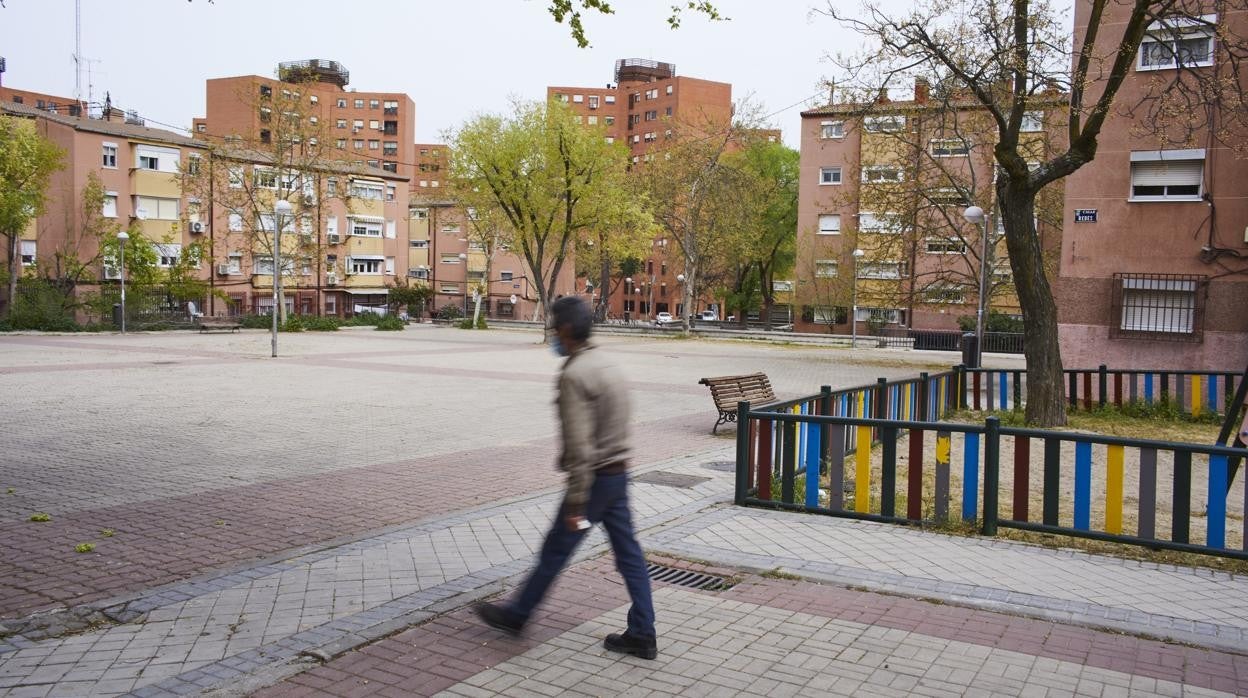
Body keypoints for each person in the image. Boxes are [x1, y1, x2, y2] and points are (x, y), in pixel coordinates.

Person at [476, 296, 657, 659]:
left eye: (555, 327)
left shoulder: (574, 374)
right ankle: (642, 631)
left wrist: (576, 504)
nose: (552, 334)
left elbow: (579, 449)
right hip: (618, 476)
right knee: (629, 554)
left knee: (556, 549)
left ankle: (517, 615)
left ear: (567, 330)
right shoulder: (608, 364)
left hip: (592, 484)